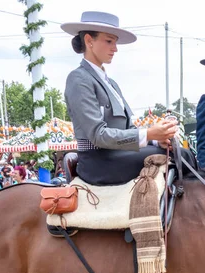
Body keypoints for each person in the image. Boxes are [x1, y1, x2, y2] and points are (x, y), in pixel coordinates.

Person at [62, 11, 177, 185]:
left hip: (118, 155)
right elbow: (98, 135)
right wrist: (149, 133)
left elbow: (128, 128)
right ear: (89, 40)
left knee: (177, 151)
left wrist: (155, 138)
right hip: (98, 162)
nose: (115, 48)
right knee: (174, 156)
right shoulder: (78, 79)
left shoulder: (112, 83)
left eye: (115, 42)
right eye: (109, 41)